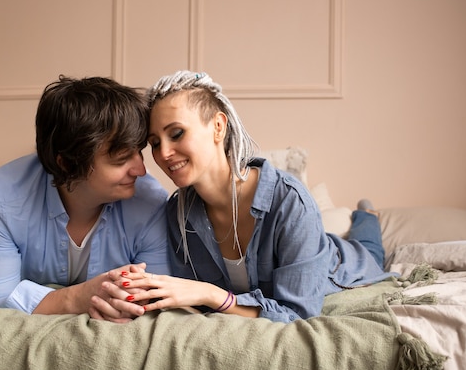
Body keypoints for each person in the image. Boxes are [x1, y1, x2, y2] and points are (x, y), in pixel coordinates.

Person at [104, 70, 396, 323]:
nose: (164, 153)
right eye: (155, 143)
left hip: (343, 265)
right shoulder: (177, 214)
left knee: (368, 249)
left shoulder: (288, 200)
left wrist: (211, 293)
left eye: (177, 133)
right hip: (309, 246)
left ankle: (367, 217)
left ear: (218, 126)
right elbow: (194, 302)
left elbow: (297, 314)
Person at [0, 74, 170, 323]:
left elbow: (156, 297)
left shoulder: (150, 202)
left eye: (138, 152)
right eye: (120, 159)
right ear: (67, 164)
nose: (140, 170)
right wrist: (78, 298)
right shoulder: (1, 196)